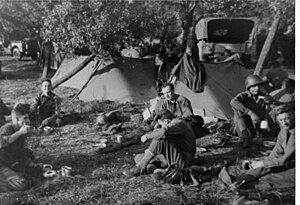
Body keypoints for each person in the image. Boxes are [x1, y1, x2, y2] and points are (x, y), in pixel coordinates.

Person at [236, 104, 295, 190]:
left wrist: (262, 164)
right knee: (261, 170)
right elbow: (275, 153)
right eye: (281, 120)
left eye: (287, 118)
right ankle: (241, 179)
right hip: (288, 164)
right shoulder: (283, 132)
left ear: (294, 116)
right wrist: (260, 165)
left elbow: (285, 159)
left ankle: (241, 183)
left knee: (266, 179)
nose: (284, 122)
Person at [123, 109, 196, 177]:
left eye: (160, 124)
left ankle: (141, 167)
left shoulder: (179, 123)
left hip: (184, 159)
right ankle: (157, 170)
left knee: (160, 138)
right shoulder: (173, 124)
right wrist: (155, 130)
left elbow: (163, 132)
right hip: (173, 156)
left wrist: (148, 136)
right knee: (138, 157)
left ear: (166, 121)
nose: (160, 126)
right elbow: (161, 131)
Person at [0, 103, 35, 192]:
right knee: (22, 185)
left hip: (11, 162)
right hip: (2, 164)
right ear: (16, 119)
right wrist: (19, 133)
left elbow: (20, 150)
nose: (28, 121)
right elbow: (2, 143)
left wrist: (29, 162)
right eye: (25, 118)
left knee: (30, 175)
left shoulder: (21, 130)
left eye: (28, 118)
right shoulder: (7, 128)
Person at [230, 75, 270, 148]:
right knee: (238, 112)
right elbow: (233, 102)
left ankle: (262, 134)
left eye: (258, 86)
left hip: (258, 123)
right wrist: (250, 113)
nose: (257, 88)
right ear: (248, 87)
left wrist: (269, 101)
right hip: (244, 124)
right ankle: (245, 138)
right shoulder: (244, 95)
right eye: (254, 86)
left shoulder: (263, 96)